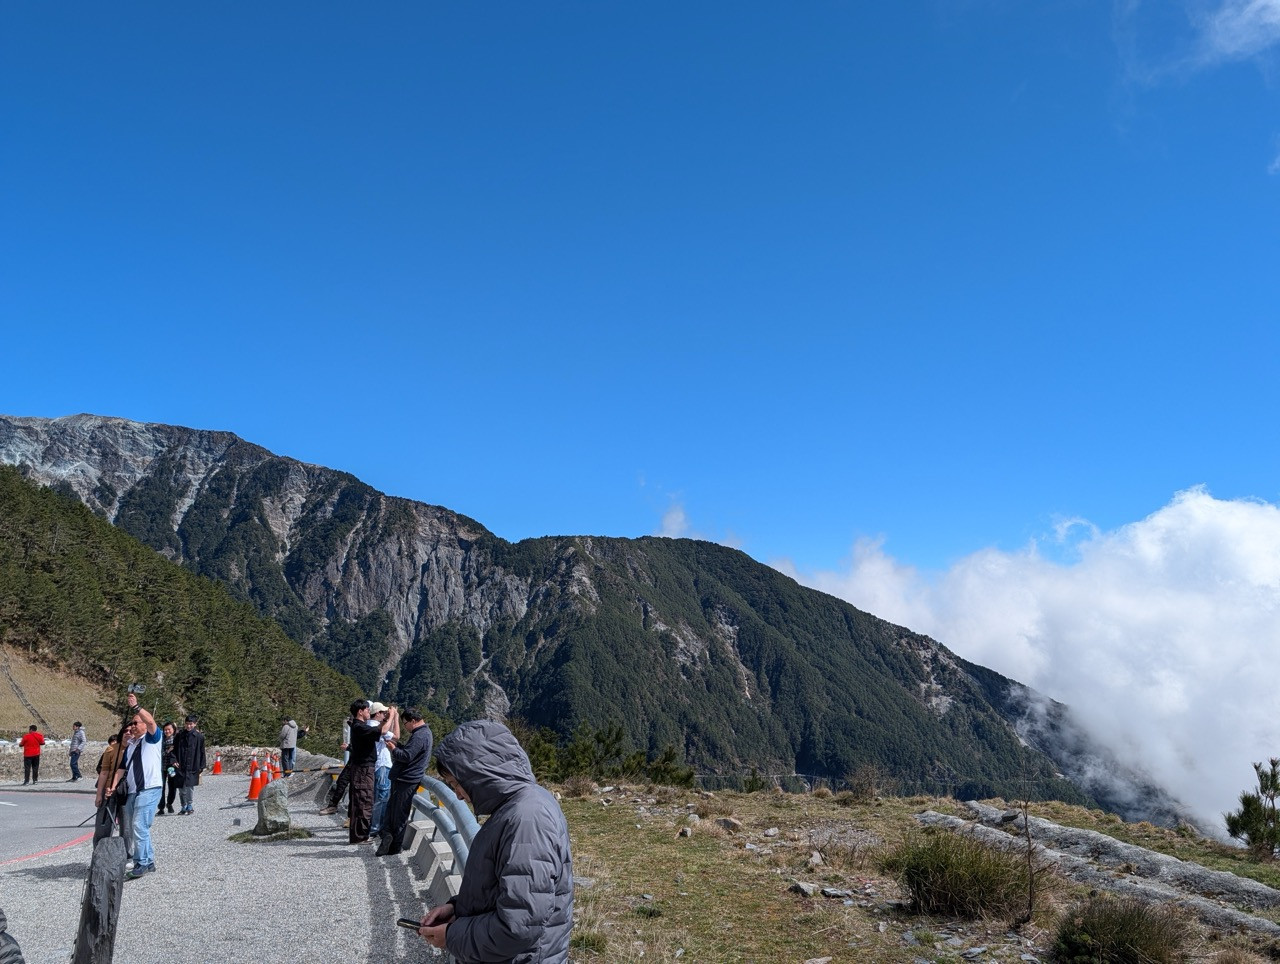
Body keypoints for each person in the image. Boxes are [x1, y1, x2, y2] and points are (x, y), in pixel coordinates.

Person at [418, 720, 574, 963]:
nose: (458, 795)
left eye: (456, 784)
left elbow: (518, 926)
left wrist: (452, 935)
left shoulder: (526, 820)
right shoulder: (518, 806)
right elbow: (506, 891)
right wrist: (457, 910)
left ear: (478, 774)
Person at [106, 692, 162, 879]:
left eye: (136, 723)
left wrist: (136, 707)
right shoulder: (130, 745)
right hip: (133, 791)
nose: (132, 726)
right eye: (131, 723)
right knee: (137, 826)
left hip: (149, 788)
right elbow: (121, 769)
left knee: (138, 825)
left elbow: (151, 722)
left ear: (144, 724)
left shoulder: (152, 738)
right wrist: (113, 786)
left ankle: (141, 862)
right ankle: (149, 860)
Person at [376, 707, 432, 857]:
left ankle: (394, 847)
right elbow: (410, 752)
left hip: (406, 779)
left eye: (405, 723)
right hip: (405, 778)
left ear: (413, 721)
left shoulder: (420, 735)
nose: (405, 727)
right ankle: (388, 840)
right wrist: (397, 744)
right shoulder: (421, 734)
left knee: (398, 814)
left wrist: (393, 749)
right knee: (393, 812)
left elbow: (407, 756)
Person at [346, 699, 394, 844]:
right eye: (367, 709)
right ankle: (360, 836)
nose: (369, 711)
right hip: (363, 769)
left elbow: (378, 730)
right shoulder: (359, 727)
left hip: (364, 768)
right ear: (360, 712)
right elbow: (382, 731)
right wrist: (392, 716)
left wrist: (385, 719)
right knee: (363, 800)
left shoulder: (359, 726)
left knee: (364, 800)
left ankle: (360, 835)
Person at [171, 715, 206, 815]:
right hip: (180, 765)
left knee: (190, 787)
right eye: (187, 724)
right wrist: (174, 760)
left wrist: (202, 766)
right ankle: (183, 806)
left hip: (193, 765)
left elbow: (202, 752)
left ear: (195, 724)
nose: (188, 726)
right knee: (181, 788)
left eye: (191, 724)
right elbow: (173, 749)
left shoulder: (199, 737)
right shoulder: (179, 736)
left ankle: (189, 805)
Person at [157, 722, 176, 815]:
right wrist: (168, 750)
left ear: (173, 730)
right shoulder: (161, 740)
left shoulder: (176, 739)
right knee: (161, 787)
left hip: (172, 767)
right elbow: (159, 753)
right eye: (165, 730)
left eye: (169, 729)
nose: (167, 731)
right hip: (162, 767)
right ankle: (161, 807)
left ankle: (170, 803)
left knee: (172, 786)